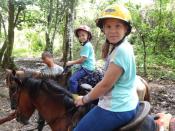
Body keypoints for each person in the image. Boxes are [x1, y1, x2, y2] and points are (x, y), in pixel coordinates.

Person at [74, 4, 139, 131]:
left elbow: (105, 85)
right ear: (103, 29)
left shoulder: (121, 51)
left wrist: (84, 99)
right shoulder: (124, 46)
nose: (112, 30)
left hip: (116, 107)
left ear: (126, 29)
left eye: (117, 26)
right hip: (128, 100)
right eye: (108, 26)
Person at [66, 25, 96, 93]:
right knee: (73, 68)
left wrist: (71, 62)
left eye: (83, 35)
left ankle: (73, 96)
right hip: (86, 65)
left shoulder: (87, 46)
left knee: (72, 80)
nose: (81, 37)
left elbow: (82, 60)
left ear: (88, 36)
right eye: (79, 36)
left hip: (87, 68)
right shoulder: (86, 45)